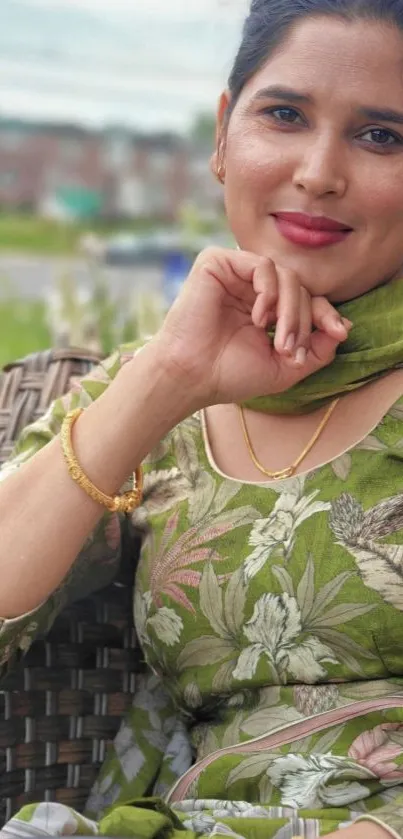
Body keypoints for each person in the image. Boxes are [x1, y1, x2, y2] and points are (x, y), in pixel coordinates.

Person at [3, 1, 403, 836]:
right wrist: (170, 376)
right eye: (284, 115)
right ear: (223, 135)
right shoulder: (156, 398)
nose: (319, 171)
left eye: (381, 137)